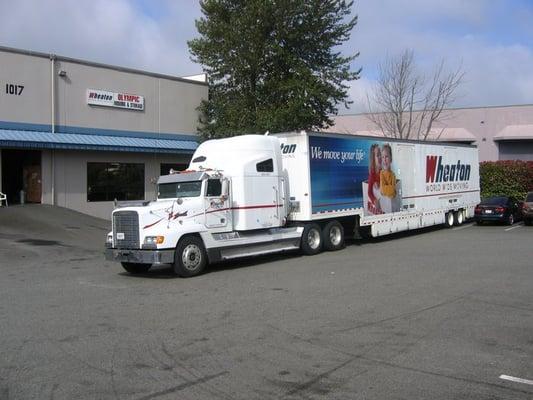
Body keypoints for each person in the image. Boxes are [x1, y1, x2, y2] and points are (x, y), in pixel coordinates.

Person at [367, 143, 382, 214]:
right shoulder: (372, 174)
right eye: (378, 155)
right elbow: (369, 192)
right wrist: (374, 200)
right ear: (373, 158)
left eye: (381, 154)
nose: (380, 157)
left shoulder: (384, 170)